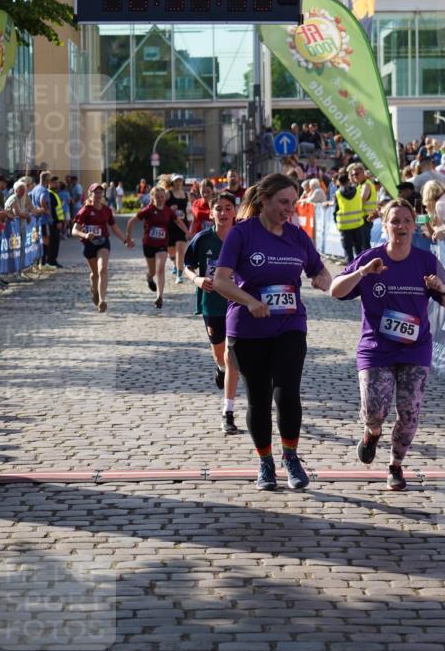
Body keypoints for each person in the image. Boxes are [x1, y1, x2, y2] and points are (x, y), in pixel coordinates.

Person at [213, 173, 331, 490]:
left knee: (288, 392)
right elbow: (221, 281)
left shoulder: (297, 236)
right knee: (259, 399)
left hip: (289, 324)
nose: (288, 209)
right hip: (248, 328)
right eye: (282, 202)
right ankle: (265, 463)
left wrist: (323, 279)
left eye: (293, 203)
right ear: (263, 200)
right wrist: (250, 301)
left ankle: (290, 457)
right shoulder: (241, 234)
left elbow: (319, 269)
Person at [330, 199, 445, 490]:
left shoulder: (426, 262)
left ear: (415, 226)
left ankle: (396, 465)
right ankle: (372, 432)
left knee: (409, 411)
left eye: (406, 221)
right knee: (375, 410)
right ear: (384, 226)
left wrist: (439, 288)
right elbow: (335, 291)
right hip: (376, 348)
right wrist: (362, 272)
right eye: (394, 221)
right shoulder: (370, 258)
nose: (400, 226)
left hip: (415, 348)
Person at [184, 190, 241, 434]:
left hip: (236, 304)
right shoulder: (202, 239)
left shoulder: (242, 238)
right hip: (212, 304)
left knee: (232, 357)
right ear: (211, 212)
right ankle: (219, 369)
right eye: (219, 208)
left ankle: (228, 411)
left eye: (228, 208)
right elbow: (187, 265)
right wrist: (196, 279)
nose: (224, 212)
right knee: (220, 356)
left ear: (235, 211)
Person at [125, 186, 189, 308]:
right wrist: (128, 238)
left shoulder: (168, 211)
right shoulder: (148, 210)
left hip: (161, 245)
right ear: (152, 198)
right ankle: (149, 278)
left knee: (160, 269)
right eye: (157, 197)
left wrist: (187, 232)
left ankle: (159, 296)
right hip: (148, 244)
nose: (160, 199)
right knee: (152, 271)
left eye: (162, 197)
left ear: (164, 197)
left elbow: (178, 221)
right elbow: (131, 221)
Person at [71, 183, 127, 312]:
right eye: (95, 193)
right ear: (90, 194)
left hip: (103, 242)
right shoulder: (85, 210)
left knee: (103, 270)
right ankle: (94, 291)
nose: (98, 195)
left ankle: (102, 300)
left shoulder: (106, 210)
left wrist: (125, 240)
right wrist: (85, 235)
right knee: (95, 274)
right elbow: (74, 231)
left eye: (100, 193)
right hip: (89, 244)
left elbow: (114, 227)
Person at [333, 170, 365, 264]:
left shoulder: (338, 194)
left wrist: (336, 222)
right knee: (359, 249)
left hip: (344, 226)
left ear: (339, 182)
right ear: (348, 180)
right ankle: (361, 269)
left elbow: (335, 210)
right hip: (358, 224)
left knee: (348, 251)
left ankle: (350, 272)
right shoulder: (357, 190)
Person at [165, 174, 190, 283]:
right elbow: (161, 207)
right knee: (171, 251)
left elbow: (189, 209)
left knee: (180, 250)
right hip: (170, 225)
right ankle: (175, 265)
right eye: (176, 181)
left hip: (182, 225)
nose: (178, 182)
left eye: (180, 180)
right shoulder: (168, 194)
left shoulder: (186, 194)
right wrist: (169, 208)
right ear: (173, 182)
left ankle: (179, 275)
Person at [348, 162, 377, 249]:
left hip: (366, 218)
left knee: (364, 244)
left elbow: (361, 200)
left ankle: (368, 261)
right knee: (361, 243)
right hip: (362, 218)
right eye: (353, 175)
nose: (355, 176)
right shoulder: (360, 185)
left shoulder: (366, 185)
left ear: (363, 173)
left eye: (357, 174)